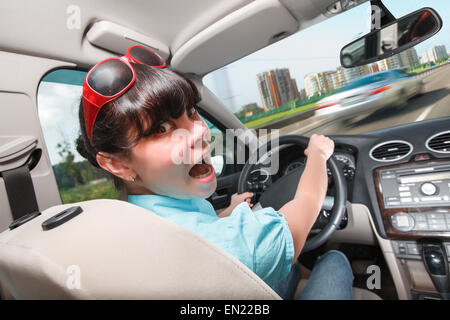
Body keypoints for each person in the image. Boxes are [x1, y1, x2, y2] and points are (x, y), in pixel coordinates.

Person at [76, 45, 354, 299]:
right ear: (118, 164)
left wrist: (226, 214)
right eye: (162, 128)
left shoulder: (135, 217)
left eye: (192, 112)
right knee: (334, 262)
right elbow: (305, 207)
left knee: (292, 271)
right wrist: (317, 154)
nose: (200, 131)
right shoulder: (227, 247)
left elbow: (199, 230)